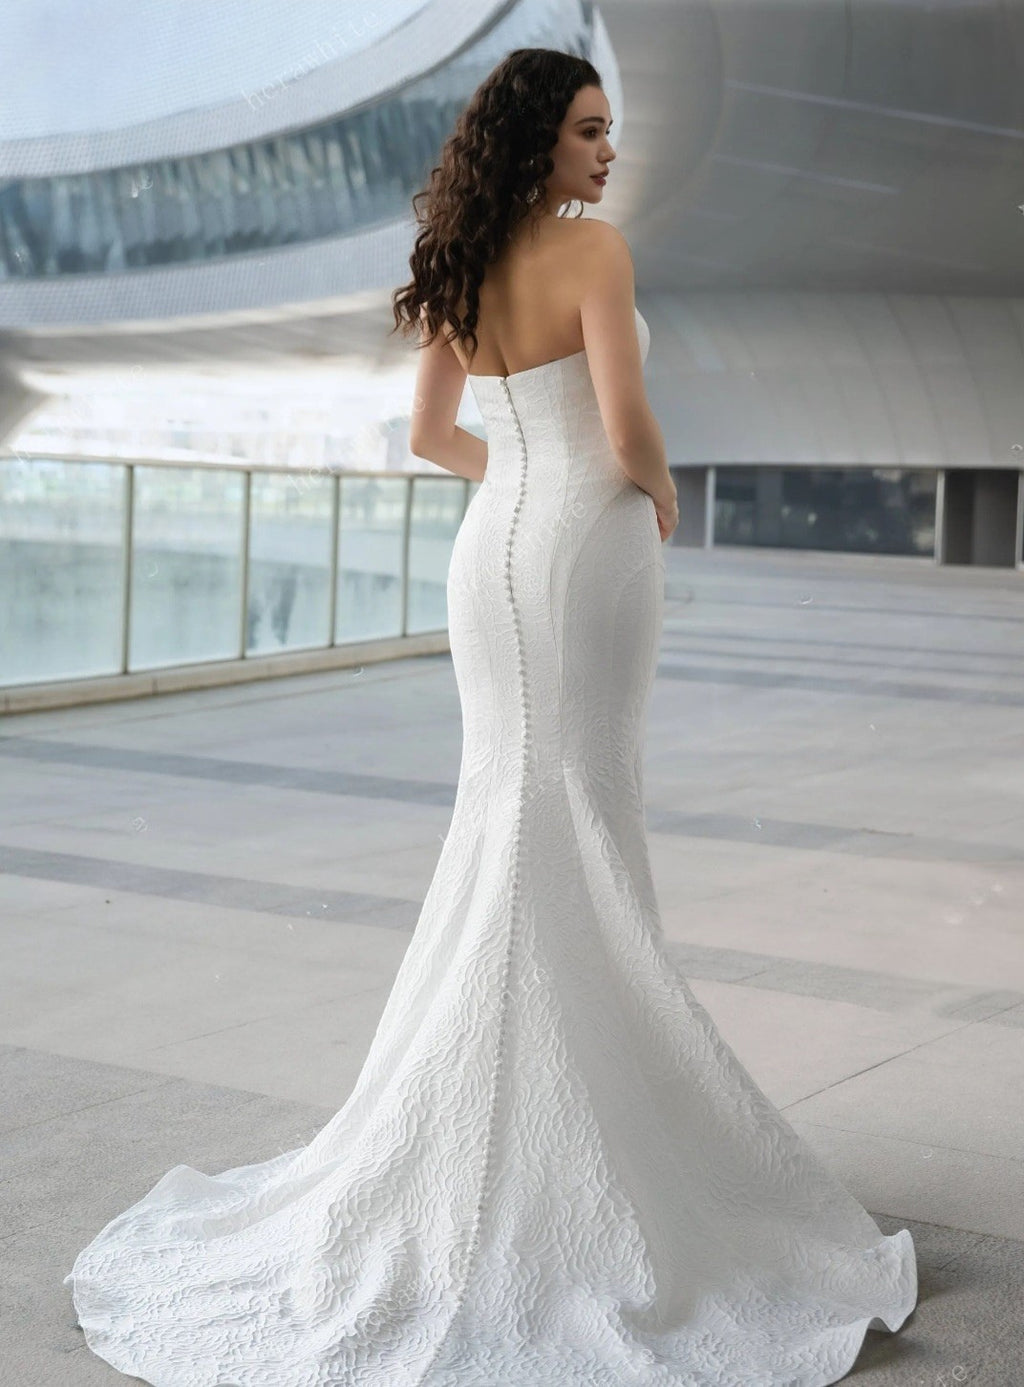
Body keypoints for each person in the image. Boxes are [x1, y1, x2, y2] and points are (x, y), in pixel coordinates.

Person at [63, 46, 916, 1386]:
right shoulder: (594, 256)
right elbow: (630, 428)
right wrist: (658, 494)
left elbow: (432, 439)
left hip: (491, 555)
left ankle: (497, 1127)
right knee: (583, 813)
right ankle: (592, 1139)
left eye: (609, 129)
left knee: (511, 815)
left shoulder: (458, 258)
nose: (608, 152)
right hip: (588, 548)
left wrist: (523, 464)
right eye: (588, 131)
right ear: (540, 142)